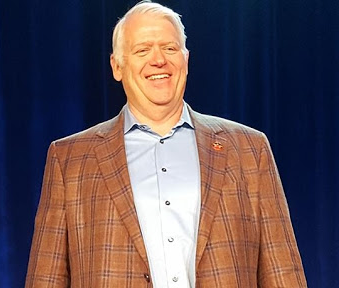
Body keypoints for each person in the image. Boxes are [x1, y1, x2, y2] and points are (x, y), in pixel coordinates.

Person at [25, 1, 307, 287]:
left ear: (186, 58)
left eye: (170, 48)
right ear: (117, 66)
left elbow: (282, 272)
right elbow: (46, 278)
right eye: (142, 49)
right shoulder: (70, 159)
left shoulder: (249, 149)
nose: (158, 60)